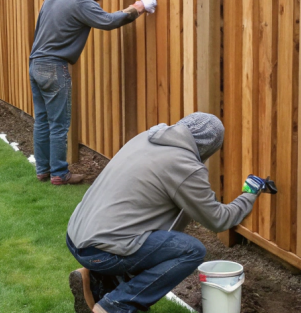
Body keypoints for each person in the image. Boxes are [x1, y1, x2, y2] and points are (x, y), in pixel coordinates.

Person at [65, 113, 273, 313]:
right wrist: (250, 193)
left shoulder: (146, 137)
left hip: (77, 236)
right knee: (190, 251)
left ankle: (97, 281)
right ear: (209, 147)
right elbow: (219, 220)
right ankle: (115, 305)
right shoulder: (184, 165)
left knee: (154, 241)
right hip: (100, 251)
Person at [29, 0, 146, 185]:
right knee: (58, 123)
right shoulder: (80, 1)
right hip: (54, 66)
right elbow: (108, 21)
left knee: (42, 120)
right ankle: (59, 174)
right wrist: (136, 8)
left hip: (36, 63)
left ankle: (43, 170)